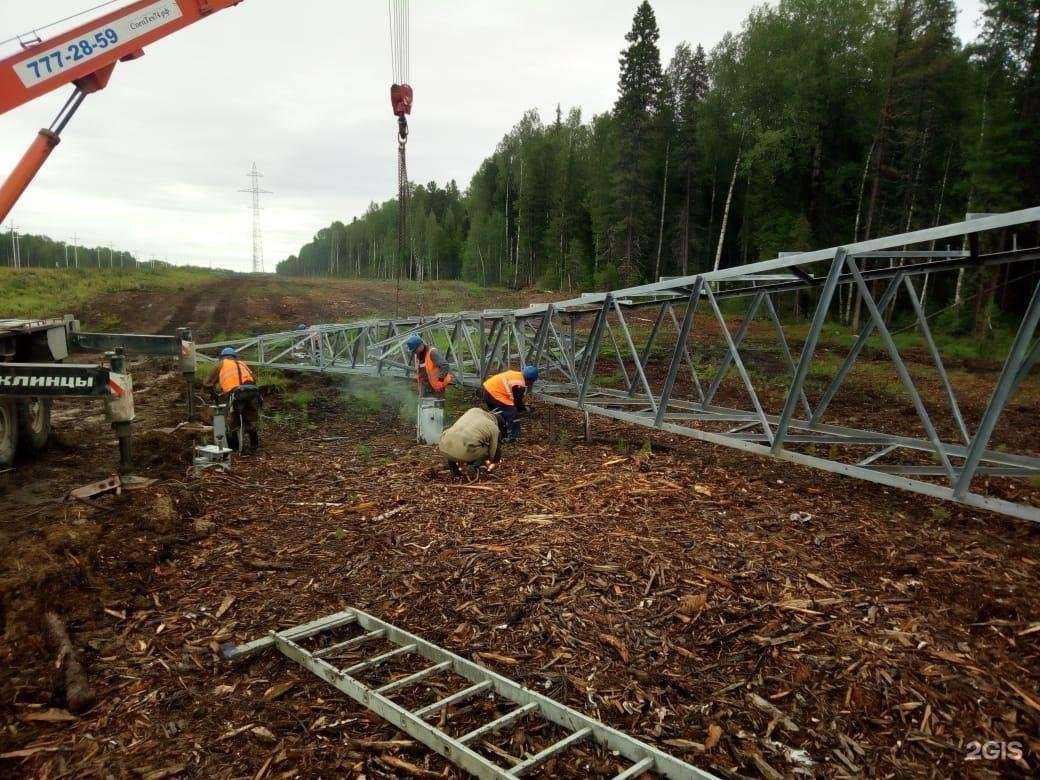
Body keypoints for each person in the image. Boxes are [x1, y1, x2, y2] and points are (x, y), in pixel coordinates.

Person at [204, 347, 261, 451]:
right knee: (250, 418)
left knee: (232, 419)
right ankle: (254, 445)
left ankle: (234, 447)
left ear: (222, 357)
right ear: (235, 357)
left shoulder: (221, 364)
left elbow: (208, 383)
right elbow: (255, 379)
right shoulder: (242, 364)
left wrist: (214, 394)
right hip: (252, 391)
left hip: (236, 393)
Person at [438, 407, 504, 476]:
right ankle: (473, 468)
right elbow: (493, 451)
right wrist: (491, 461)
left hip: (444, 445)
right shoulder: (493, 427)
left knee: (453, 440)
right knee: (487, 449)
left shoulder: (474, 411)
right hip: (464, 450)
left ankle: (454, 469)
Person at [482, 365, 538, 443]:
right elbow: (517, 402)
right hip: (496, 394)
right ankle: (513, 436)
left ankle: (496, 432)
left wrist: (521, 406)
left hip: (487, 390)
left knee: (499, 414)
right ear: (531, 381)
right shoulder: (520, 384)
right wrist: (523, 408)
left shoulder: (516, 375)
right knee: (512, 413)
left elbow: (515, 399)